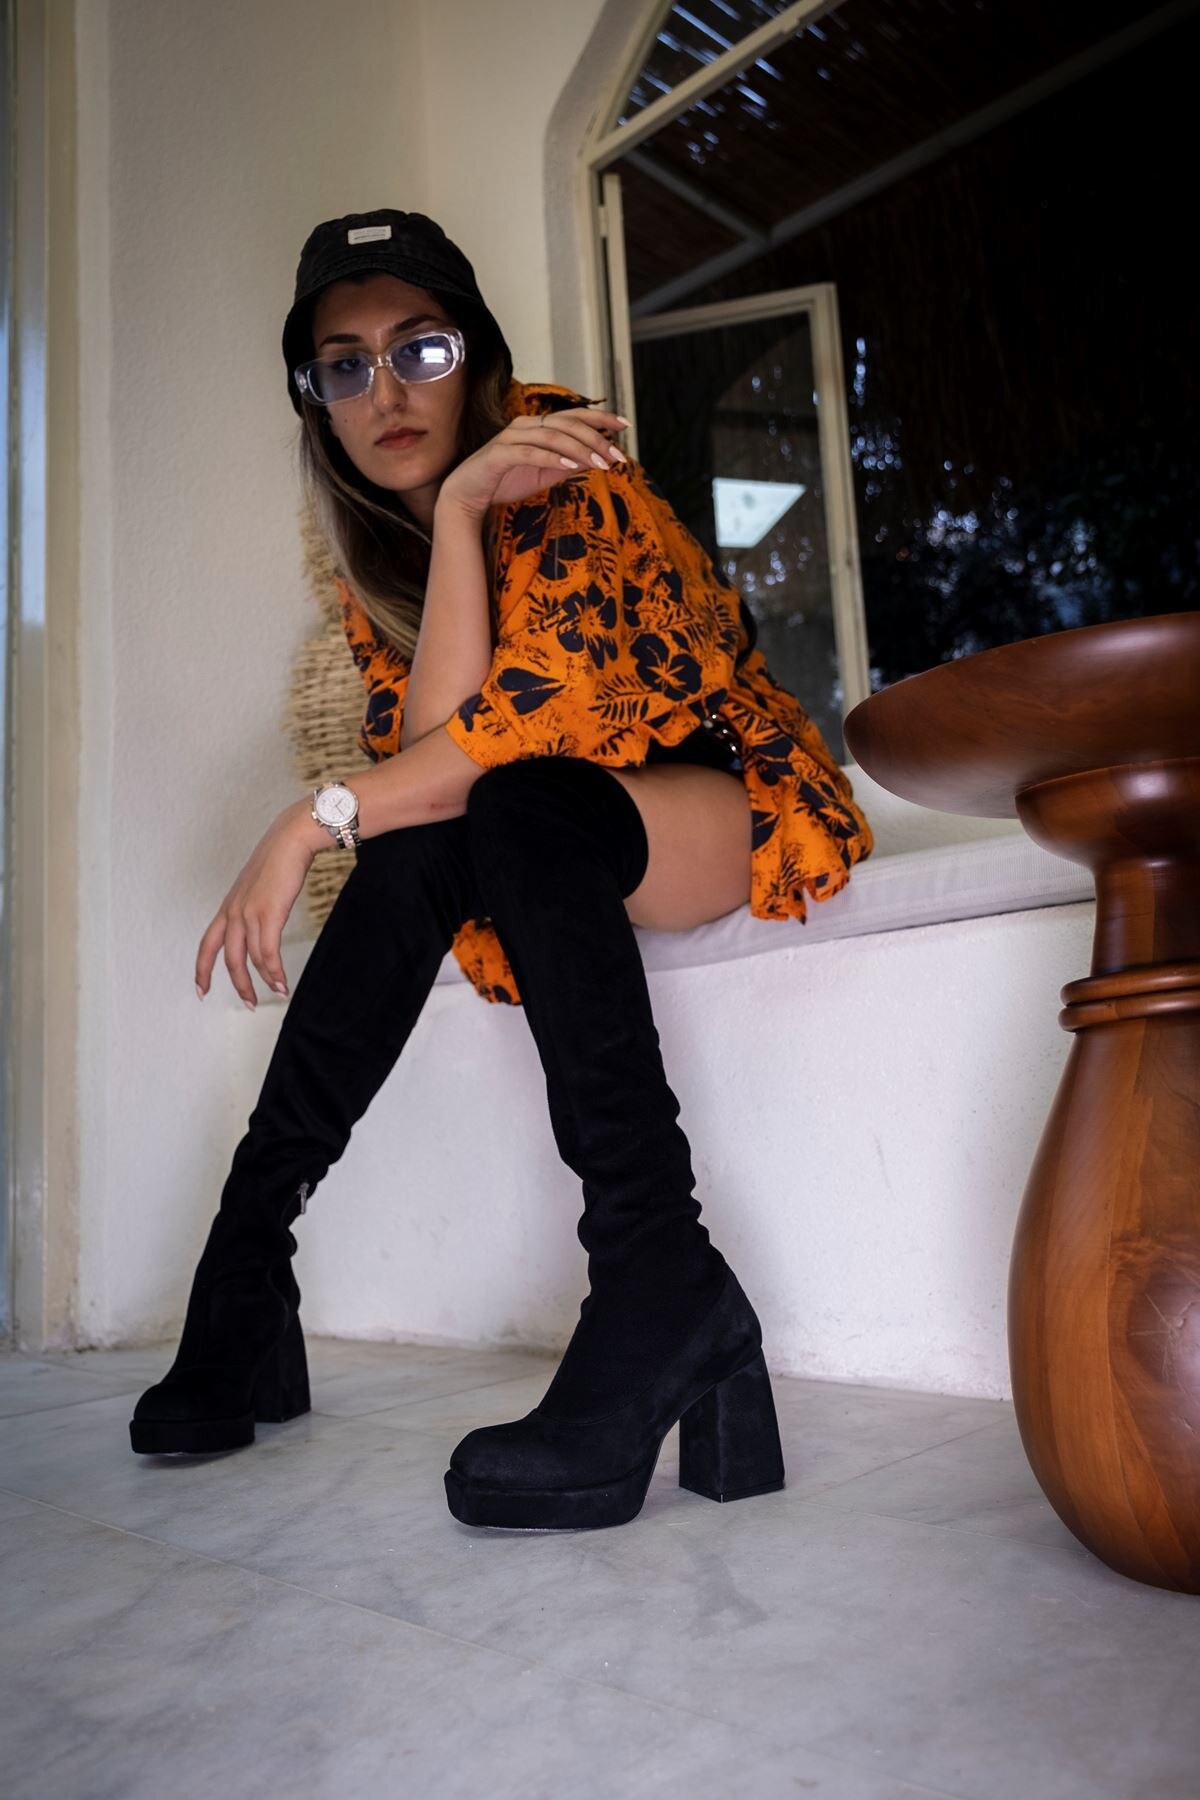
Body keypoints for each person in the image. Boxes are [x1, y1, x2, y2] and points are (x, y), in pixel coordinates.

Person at [129, 208, 874, 1531]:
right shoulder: (387, 545)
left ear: (475, 355)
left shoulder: (567, 460)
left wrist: (307, 820)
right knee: (449, 829)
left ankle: (656, 1271)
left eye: (419, 347)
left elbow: (516, 735)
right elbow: (432, 758)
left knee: (515, 805)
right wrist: (462, 515)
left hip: (717, 794)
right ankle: (247, 1262)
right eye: (344, 366)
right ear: (315, 400)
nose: (385, 391)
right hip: (547, 820)